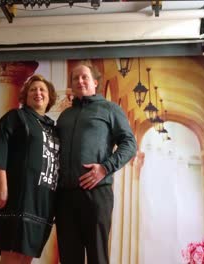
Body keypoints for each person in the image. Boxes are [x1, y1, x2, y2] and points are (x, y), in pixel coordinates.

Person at [56, 64, 137, 264]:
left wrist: (105, 168)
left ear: (95, 82)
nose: (80, 81)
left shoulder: (110, 109)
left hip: (96, 193)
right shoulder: (64, 116)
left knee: (97, 258)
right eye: (75, 79)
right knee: (68, 258)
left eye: (84, 77)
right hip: (64, 197)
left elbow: (130, 144)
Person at [0, 74, 59, 264]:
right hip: (18, 198)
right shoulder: (16, 117)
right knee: (12, 256)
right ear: (25, 96)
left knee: (26, 259)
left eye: (42, 90)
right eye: (33, 89)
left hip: (42, 203)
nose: (38, 93)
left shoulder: (53, 129)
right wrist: (1, 186)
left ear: (49, 97)